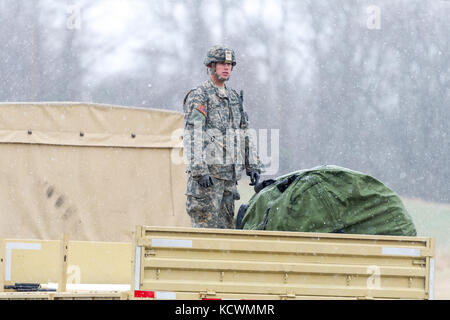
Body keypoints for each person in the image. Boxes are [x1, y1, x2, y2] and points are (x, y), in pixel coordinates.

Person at [182, 45, 263, 229]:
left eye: (229, 64)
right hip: (207, 182)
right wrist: (199, 170)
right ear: (211, 66)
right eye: (221, 64)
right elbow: (193, 134)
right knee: (205, 237)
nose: (227, 68)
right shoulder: (200, 96)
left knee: (226, 237)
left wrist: (253, 166)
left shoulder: (234, 98)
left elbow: (244, 133)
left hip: (229, 181)